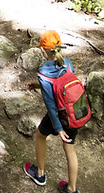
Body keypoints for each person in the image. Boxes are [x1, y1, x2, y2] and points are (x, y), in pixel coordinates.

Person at [23, 31, 80, 193]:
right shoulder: (68, 64)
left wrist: (59, 128)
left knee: (40, 134)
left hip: (59, 115)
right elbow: (60, 84)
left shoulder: (44, 72)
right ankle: (71, 188)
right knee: (70, 147)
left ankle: (39, 174)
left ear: (42, 51)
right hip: (74, 112)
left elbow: (50, 104)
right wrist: (37, 84)